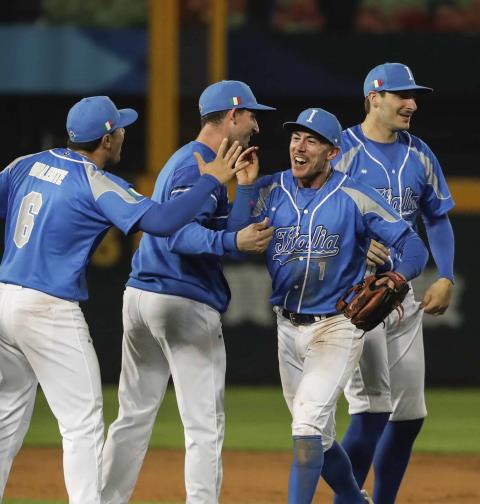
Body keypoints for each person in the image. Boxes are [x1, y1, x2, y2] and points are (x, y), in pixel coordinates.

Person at [0, 95, 245, 504]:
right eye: (121, 129)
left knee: (6, 418)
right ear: (108, 138)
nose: (124, 135)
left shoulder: (25, 163)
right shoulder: (96, 182)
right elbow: (163, 222)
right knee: (82, 424)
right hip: (48, 311)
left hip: (4, 299)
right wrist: (211, 180)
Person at [101, 80, 275, 504]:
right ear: (232, 116)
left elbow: (219, 233)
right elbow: (182, 236)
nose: (255, 124)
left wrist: (246, 188)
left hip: (143, 296)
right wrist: (233, 243)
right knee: (203, 424)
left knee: (134, 416)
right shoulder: (193, 164)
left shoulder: (205, 164)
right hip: (181, 300)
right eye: (251, 114)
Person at [246, 107, 429, 504]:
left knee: (307, 431)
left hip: (336, 326)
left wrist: (399, 276)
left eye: (312, 140)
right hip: (286, 328)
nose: (300, 145)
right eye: (296, 137)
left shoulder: (355, 197)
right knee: (320, 436)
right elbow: (231, 232)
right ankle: (353, 498)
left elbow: (412, 244)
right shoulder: (269, 189)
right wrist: (244, 187)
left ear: (332, 152)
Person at [333, 61, 455, 504]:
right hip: (350, 296)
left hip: (401, 295)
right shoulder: (339, 149)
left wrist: (445, 275)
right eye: (402, 95)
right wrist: (352, 242)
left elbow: (437, 218)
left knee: (408, 417)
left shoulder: (419, 153)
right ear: (374, 99)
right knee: (370, 411)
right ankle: (347, 498)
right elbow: (311, 210)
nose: (412, 103)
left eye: (413, 95)